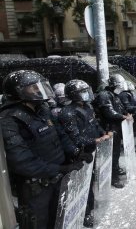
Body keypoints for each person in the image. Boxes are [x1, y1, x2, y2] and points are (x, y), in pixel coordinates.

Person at [0, 70, 84, 229]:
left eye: (40, 86)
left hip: (57, 178)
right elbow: (22, 162)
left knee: (59, 219)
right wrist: (61, 168)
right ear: (17, 91)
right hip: (35, 188)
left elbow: (60, 135)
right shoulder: (8, 119)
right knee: (38, 224)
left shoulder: (43, 109)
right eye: (33, 88)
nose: (39, 90)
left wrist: (75, 152)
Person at [59, 79, 111, 228]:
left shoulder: (87, 107)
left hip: (92, 149)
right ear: (74, 95)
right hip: (80, 153)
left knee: (91, 178)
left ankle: (91, 204)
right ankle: (85, 213)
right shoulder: (67, 113)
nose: (87, 94)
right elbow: (74, 138)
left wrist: (103, 133)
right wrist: (96, 140)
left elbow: (94, 123)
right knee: (82, 184)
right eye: (83, 92)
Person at [95, 74, 133, 188]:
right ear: (113, 85)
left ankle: (115, 169)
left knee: (116, 152)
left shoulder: (114, 95)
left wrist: (127, 113)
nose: (120, 88)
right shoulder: (104, 95)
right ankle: (113, 178)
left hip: (116, 127)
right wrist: (124, 117)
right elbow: (109, 112)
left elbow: (120, 108)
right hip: (108, 128)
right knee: (111, 153)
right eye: (118, 86)